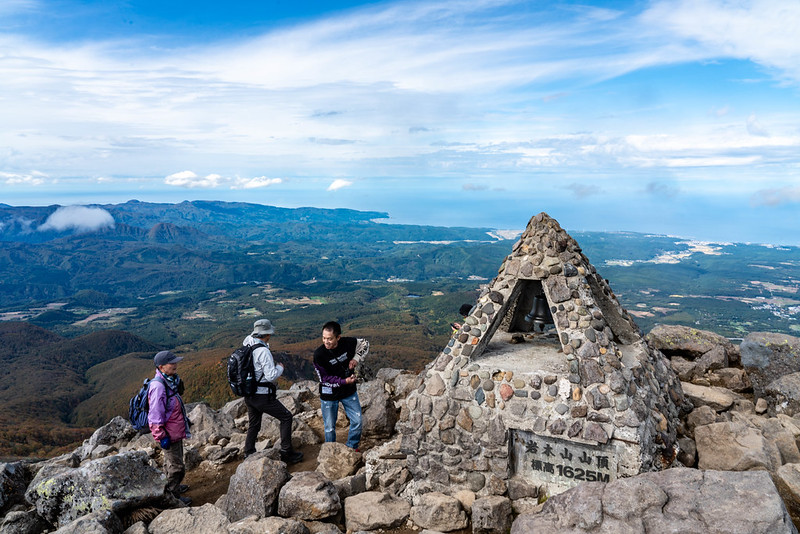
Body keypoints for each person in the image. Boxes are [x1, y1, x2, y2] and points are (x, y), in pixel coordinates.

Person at [242, 318, 303, 464]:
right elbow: (270, 376)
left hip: (249, 393)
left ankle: (248, 452)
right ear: (267, 334)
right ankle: (286, 452)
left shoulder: (247, 341)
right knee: (286, 417)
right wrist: (280, 368)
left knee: (254, 424)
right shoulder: (263, 351)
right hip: (262, 395)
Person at [313, 321, 369, 450]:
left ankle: (352, 447)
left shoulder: (348, 343)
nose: (326, 342)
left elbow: (365, 343)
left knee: (357, 420)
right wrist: (344, 381)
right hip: (329, 393)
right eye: (324, 338)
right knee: (329, 427)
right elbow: (324, 378)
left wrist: (356, 358)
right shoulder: (319, 355)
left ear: (338, 337)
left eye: (330, 339)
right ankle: (330, 450)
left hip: (348, 391)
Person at [148, 350, 192, 506]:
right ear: (161, 367)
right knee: (176, 467)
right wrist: (161, 436)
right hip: (168, 434)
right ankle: (172, 498)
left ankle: (171, 488)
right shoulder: (159, 387)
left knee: (171, 462)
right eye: (171, 363)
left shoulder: (169, 381)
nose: (175, 365)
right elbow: (154, 416)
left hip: (175, 431)